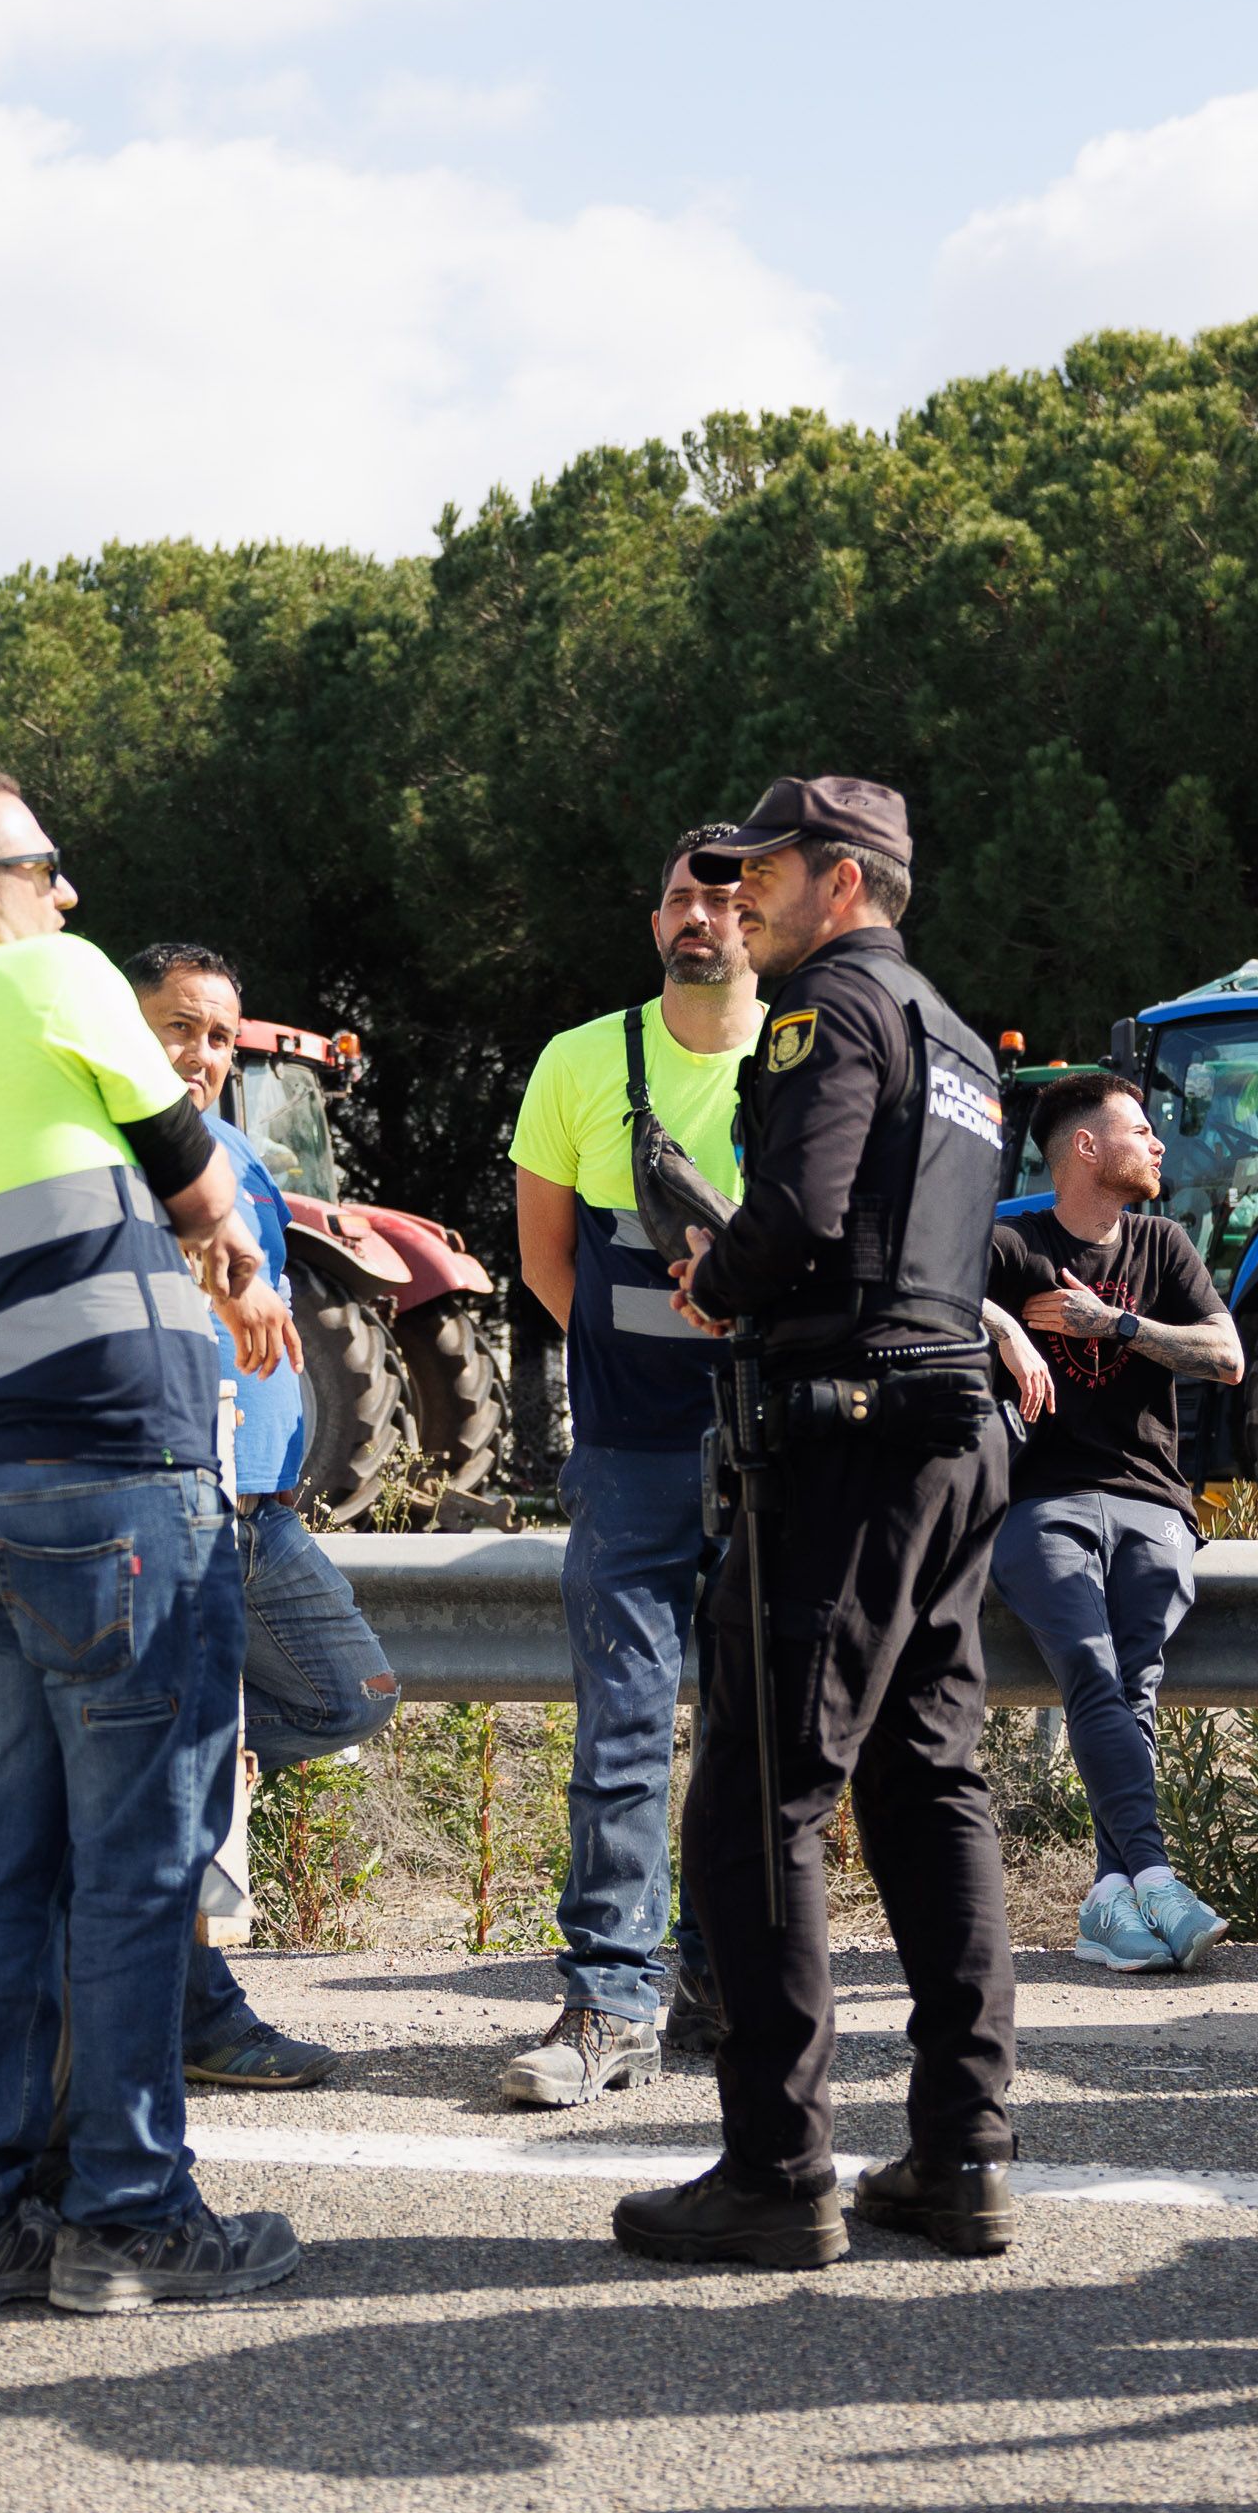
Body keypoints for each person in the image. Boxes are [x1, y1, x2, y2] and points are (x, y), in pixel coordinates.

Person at [0, 767, 305, 2320]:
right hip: (118, 1486)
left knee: (5, 1869)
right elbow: (193, 1167)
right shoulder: (49, 975)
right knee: (135, 1875)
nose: (71, 893)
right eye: (46, 864)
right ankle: (129, 2216)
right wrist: (234, 1256)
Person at [616, 775, 1023, 2272]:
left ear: (839, 882)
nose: (739, 899)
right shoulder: (961, 1035)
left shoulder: (828, 1011)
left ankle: (779, 2169)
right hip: (952, 1430)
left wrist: (720, 1273)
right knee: (930, 1779)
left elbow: (796, 1214)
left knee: (755, 1796)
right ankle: (963, 2152)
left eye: (763, 872)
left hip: (847, 1435)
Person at [498, 826, 759, 2103]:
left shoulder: (808, 1059)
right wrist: (629, 1367)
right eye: (677, 899)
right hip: (630, 1456)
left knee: (752, 1742)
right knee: (621, 1734)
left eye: (724, 898)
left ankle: (714, 1993)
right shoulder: (578, 1062)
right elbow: (549, 1265)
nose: (698, 917)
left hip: (774, 1455)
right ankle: (607, 2000)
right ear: (656, 925)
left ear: (765, 920)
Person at [127, 941, 403, 2091]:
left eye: (219, 1036)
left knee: (348, 1692)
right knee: (171, 1770)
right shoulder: (109, 1156)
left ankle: (183, 1826)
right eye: (178, 1028)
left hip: (261, 1509)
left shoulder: (235, 1152)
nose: (200, 1055)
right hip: (178, 1501)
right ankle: (194, 2016)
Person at [984, 1072, 1246, 1973]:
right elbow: (916, 1289)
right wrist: (1005, 1328)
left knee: (1132, 1683)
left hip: (1152, 1502)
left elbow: (1229, 1355)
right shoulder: (1012, 1245)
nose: (1159, 1143)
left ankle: (1108, 1895)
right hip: (1039, 1503)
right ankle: (1155, 1875)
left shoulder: (1163, 1245)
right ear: (1085, 1147)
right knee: (1096, 1670)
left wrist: (1119, 1323)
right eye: (1140, 1128)